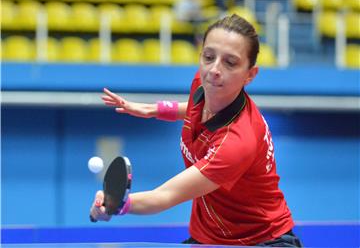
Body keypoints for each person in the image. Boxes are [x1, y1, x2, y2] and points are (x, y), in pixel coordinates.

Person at [90, 14, 303, 247]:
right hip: (210, 238)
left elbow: (165, 196)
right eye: (208, 57)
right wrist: (152, 109)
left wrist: (118, 205)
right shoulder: (205, 85)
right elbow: (195, 107)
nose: (214, 69)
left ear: (250, 74)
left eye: (230, 63)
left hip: (260, 241)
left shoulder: (236, 141)